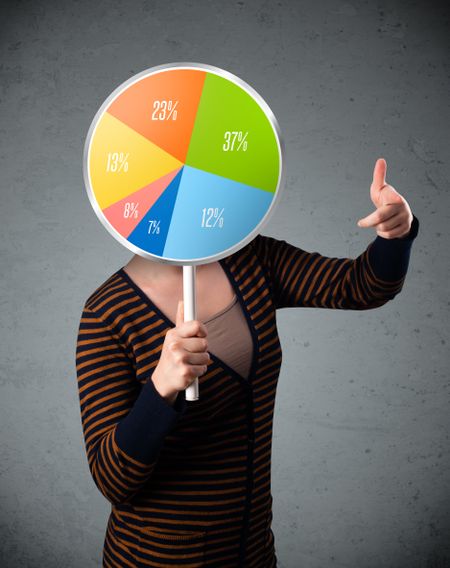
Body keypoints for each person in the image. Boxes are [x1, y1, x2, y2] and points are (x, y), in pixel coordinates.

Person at [75, 158, 420, 567]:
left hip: (251, 549)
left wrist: (394, 234)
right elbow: (114, 480)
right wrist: (161, 389)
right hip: (157, 558)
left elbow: (361, 287)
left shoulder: (251, 259)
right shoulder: (106, 313)